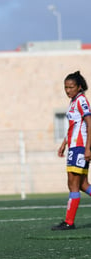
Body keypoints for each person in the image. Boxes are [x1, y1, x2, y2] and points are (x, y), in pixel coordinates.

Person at [52, 71, 91, 230]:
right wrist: (64, 143)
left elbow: (90, 123)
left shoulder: (81, 100)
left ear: (79, 87)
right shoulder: (73, 101)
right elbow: (74, 126)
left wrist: (88, 148)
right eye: (65, 87)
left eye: (71, 87)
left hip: (80, 147)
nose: (68, 90)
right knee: (82, 184)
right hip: (74, 146)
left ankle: (69, 222)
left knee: (73, 184)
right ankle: (68, 221)